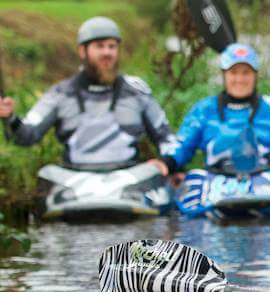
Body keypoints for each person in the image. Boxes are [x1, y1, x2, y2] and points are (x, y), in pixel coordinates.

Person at [0, 17, 174, 174]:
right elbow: (26, 136)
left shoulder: (137, 91)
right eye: (100, 46)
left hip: (130, 183)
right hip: (76, 183)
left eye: (112, 46)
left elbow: (166, 137)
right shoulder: (60, 93)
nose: (107, 53)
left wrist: (168, 163)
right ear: (82, 51)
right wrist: (9, 117)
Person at [162, 43, 270, 186]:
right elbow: (182, 145)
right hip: (215, 181)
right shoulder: (204, 109)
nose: (239, 79)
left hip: (263, 181)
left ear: (255, 75)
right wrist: (166, 163)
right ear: (224, 75)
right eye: (233, 72)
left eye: (246, 72)